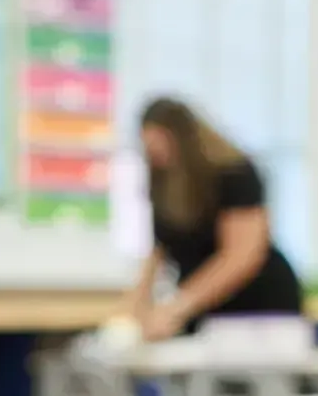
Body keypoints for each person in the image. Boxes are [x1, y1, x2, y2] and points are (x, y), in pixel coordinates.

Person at [120, 97, 303, 340]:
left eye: (160, 145)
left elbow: (242, 256)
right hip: (203, 311)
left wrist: (178, 306)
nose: (157, 155)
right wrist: (133, 313)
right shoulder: (163, 181)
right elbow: (158, 250)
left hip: (257, 307)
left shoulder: (235, 174)